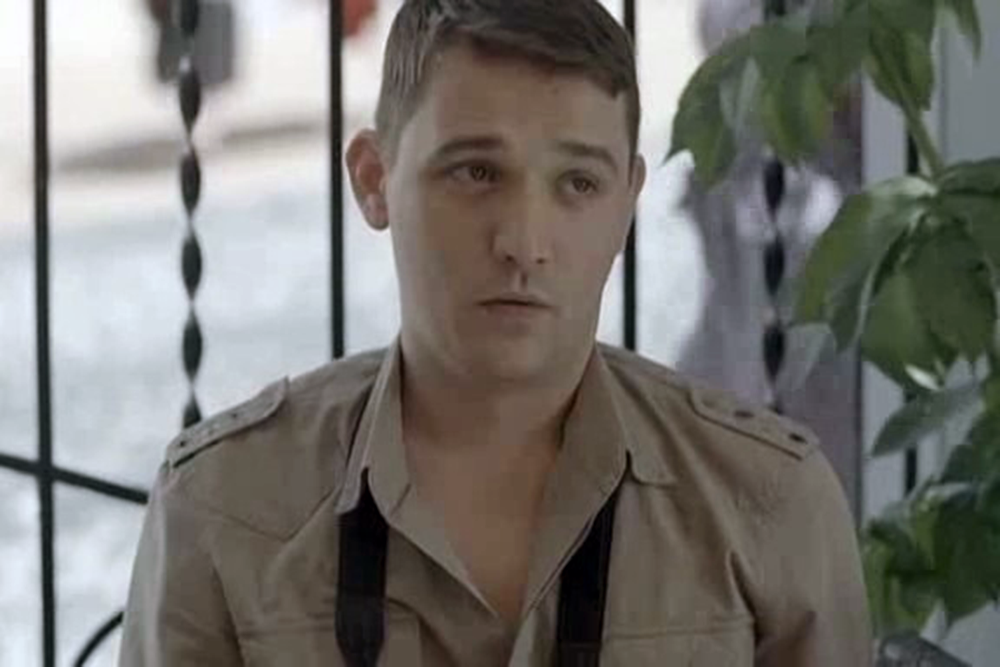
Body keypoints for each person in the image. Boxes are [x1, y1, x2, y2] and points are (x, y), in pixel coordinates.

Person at [119, 1, 872, 665]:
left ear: (627, 202)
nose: (523, 242)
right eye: (476, 173)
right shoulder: (222, 510)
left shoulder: (765, 506)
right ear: (374, 180)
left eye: (578, 183)